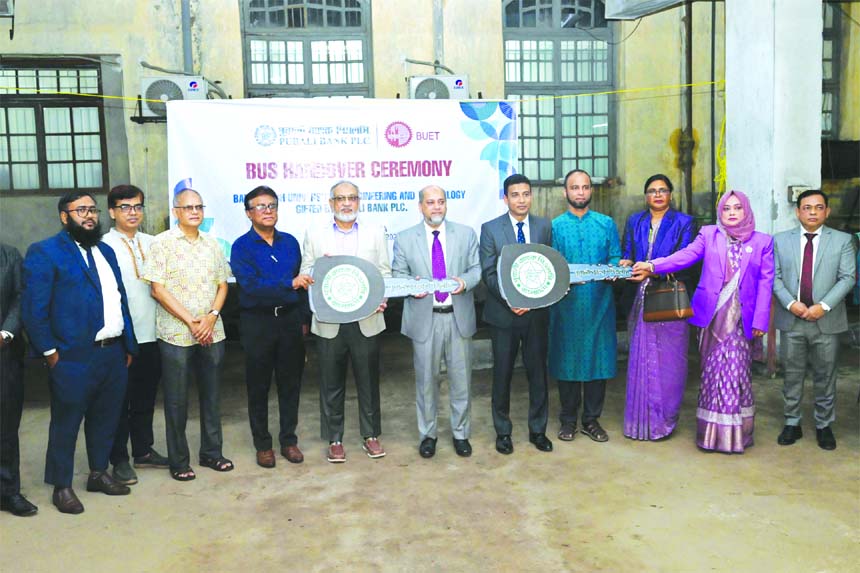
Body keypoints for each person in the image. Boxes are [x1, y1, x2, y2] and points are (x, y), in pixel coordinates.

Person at [633, 190, 774, 453]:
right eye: (726, 209)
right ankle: (711, 436)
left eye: (737, 208)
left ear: (746, 210)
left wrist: (761, 321)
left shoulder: (763, 242)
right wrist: (653, 266)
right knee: (711, 374)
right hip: (711, 317)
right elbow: (684, 256)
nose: (732, 213)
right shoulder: (709, 235)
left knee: (735, 373)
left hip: (741, 321)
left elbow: (766, 284)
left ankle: (734, 436)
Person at [22, 192, 137, 514]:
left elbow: (118, 298)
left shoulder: (105, 251)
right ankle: (62, 486)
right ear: (64, 216)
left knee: (106, 417)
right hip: (71, 356)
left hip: (112, 353)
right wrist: (49, 352)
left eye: (92, 210)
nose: (89, 216)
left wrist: (127, 343)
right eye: (81, 210)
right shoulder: (45, 252)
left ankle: (98, 473)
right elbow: (34, 309)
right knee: (66, 422)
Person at [144, 181, 233, 480]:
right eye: (188, 207)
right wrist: (191, 321)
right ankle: (179, 461)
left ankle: (212, 453)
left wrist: (211, 316)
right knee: (176, 400)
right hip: (176, 334)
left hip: (212, 331)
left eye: (199, 207)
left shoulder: (213, 244)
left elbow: (223, 285)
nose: (195, 212)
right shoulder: (162, 243)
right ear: (176, 212)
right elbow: (157, 289)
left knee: (212, 396)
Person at [301, 180, 390, 463]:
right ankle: (334, 439)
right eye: (340, 199)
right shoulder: (315, 234)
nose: (347, 203)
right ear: (331, 203)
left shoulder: (376, 232)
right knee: (330, 382)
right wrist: (319, 270)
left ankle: (371, 435)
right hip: (330, 321)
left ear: (359, 201)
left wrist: (382, 297)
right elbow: (306, 272)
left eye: (352, 197)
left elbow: (384, 272)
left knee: (368, 381)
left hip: (367, 319)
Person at [393, 185, 481, 459]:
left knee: (461, 381)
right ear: (421, 206)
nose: (436, 207)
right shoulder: (405, 238)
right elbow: (398, 274)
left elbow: (477, 269)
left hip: (458, 317)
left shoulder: (465, 234)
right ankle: (428, 435)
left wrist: (464, 282)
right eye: (430, 202)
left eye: (440, 201)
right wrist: (412, 285)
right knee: (426, 383)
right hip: (425, 319)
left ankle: (460, 434)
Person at [231, 186, 313, 468]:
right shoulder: (241, 247)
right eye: (261, 206)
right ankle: (263, 444)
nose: (268, 211)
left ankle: (289, 440)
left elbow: (302, 286)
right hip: (258, 323)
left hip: (290, 321)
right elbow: (250, 287)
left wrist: (303, 319)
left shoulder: (290, 242)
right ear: (248, 213)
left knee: (291, 385)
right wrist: (288, 285)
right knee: (258, 386)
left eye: (272, 206)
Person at [772, 189, 855, 450]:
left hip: (826, 320)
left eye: (819, 207)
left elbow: (848, 278)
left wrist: (823, 306)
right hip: (792, 318)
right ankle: (792, 422)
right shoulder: (780, 241)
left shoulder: (842, 240)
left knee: (825, 374)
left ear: (827, 212)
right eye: (807, 208)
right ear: (798, 212)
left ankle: (824, 425)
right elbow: (773, 276)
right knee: (792, 373)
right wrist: (791, 303)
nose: (812, 212)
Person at [479, 174, 553, 455]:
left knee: (538, 374)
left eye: (525, 194)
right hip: (503, 315)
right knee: (502, 374)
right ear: (505, 198)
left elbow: (548, 267)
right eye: (515, 195)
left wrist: (533, 300)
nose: (521, 200)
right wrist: (511, 299)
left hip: (536, 315)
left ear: (531, 196)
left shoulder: (544, 226)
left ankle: (538, 430)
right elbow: (488, 272)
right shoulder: (491, 229)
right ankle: (503, 432)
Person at [618, 174, 696, 441]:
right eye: (652, 191)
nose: (658, 195)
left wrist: (653, 271)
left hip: (669, 297)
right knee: (641, 359)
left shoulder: (684, 222)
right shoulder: (635, 220)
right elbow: (628, 252)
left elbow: (686, 260)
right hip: (639, 298)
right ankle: (640, 422)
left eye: (663, 190)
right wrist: (625, 263)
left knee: (670, 362)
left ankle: (666, 420)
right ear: (646, 196)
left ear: (671, 195)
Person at [103, 185, 169, 486]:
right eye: (125, 207)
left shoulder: (153, 242)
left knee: (145, 398)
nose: (132, 212)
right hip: (122, 339)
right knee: (119, 402)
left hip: (153, 334)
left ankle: (142, 451)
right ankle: (119, 459)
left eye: (138, 206)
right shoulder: (103, 246)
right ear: (112, 212)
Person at [549, 169, 621, 443]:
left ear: (591, 190)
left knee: (597, 361)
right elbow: (551, 265)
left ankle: (591, 420)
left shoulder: (606, 223)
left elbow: (615, 256)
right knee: (567, 362)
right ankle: (568, 419)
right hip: (566, 305)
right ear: (565, 192)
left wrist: (615, 268)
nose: (580, 192)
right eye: (574, 187)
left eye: (585, 187)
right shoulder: (555, 227)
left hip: (599, 303)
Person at [0, 243, 37, 516]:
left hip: (4, 354)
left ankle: (8, 491)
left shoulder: (8, 255)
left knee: (6, 426)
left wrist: (6, 333)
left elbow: (21, 295)